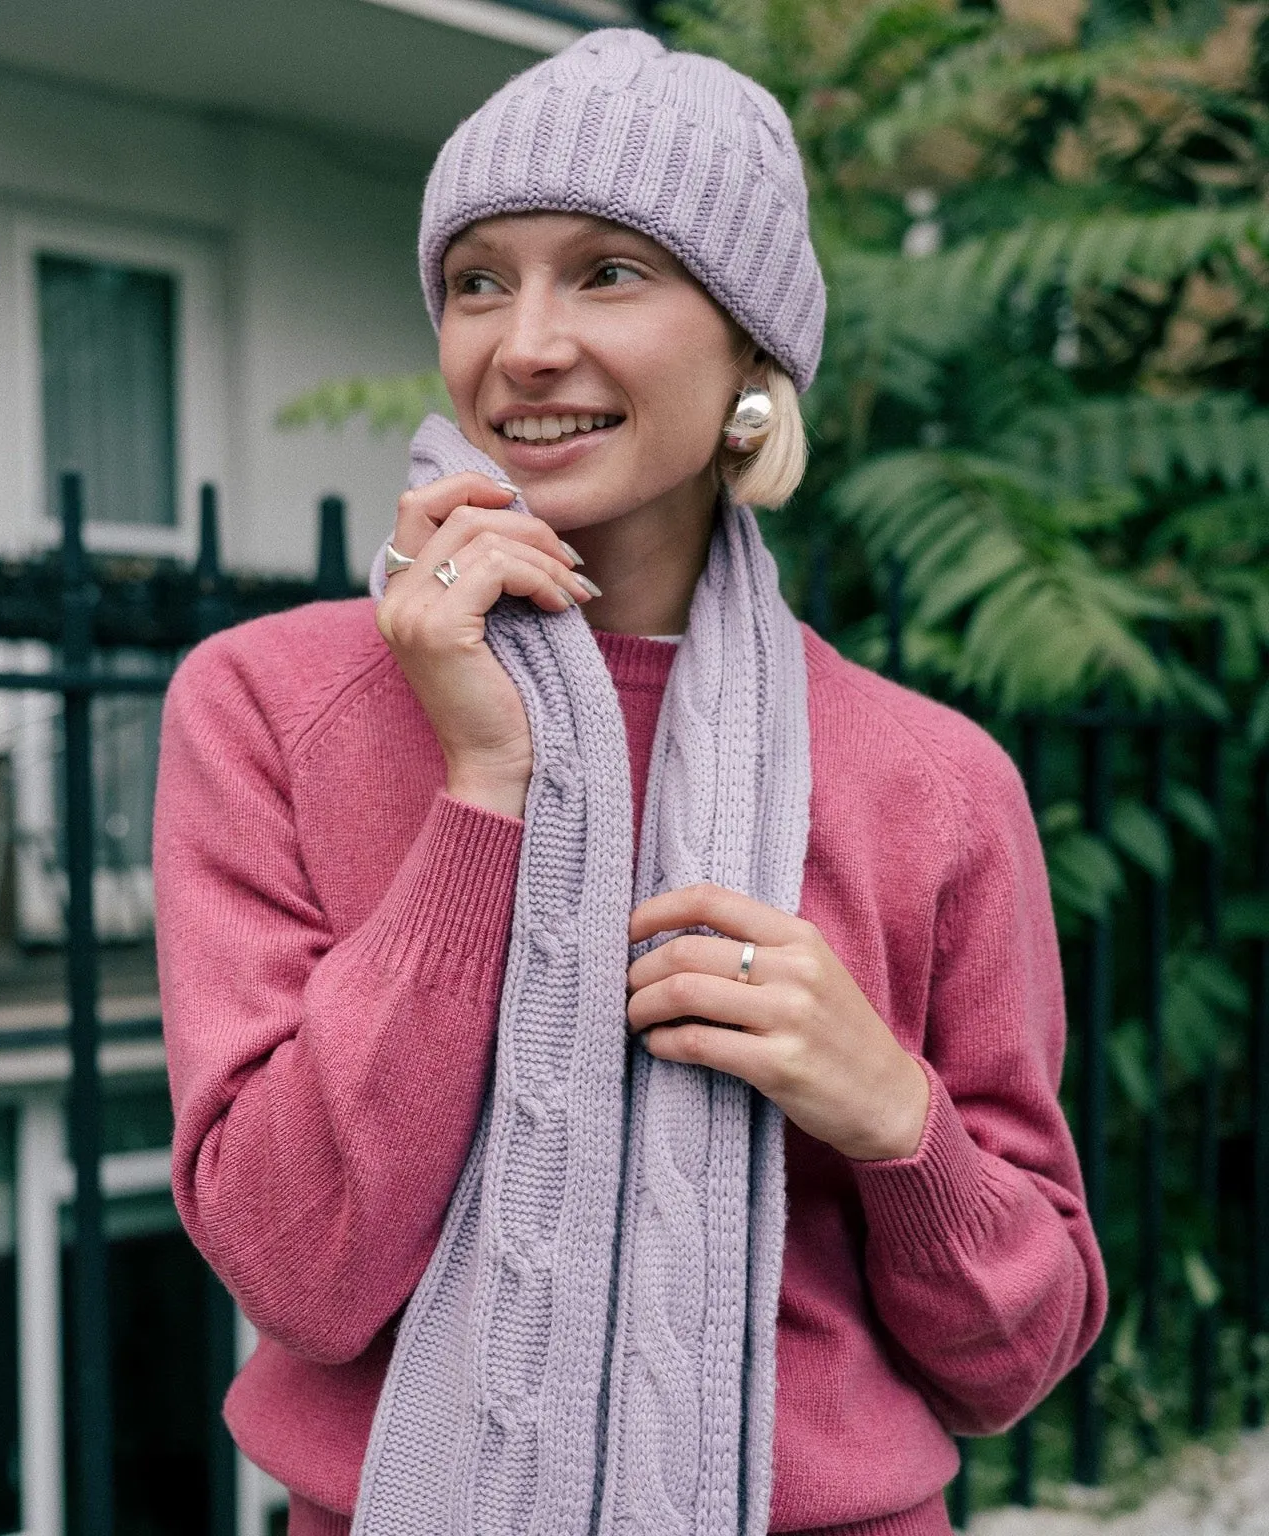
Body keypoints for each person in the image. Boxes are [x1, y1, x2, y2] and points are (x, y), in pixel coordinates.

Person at [156, 28, 1106, 1536]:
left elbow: (1018, 1354)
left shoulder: (933, 781)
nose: (522, 345)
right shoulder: (268, 707)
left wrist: (888, 1113)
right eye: (479, 277)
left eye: (609, 270)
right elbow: (297, 1268)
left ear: (749, 350)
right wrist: (483, 788)